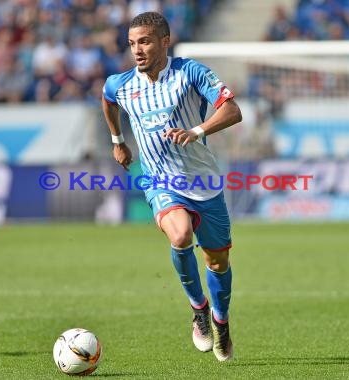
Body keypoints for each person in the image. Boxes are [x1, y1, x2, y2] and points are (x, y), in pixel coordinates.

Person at [101, 12, 242, 361]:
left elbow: (233, 110)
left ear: (165, 41)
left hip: (204, 182)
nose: (138, 50)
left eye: (145, 41)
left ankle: (220, 322)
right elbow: (107, 100)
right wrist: (118, 140)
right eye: (133, 43)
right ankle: (198, 310)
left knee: (217, 262)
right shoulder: (121, 84)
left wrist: (196, 132)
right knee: (179, 235)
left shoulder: (190, 73)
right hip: (160, 179)